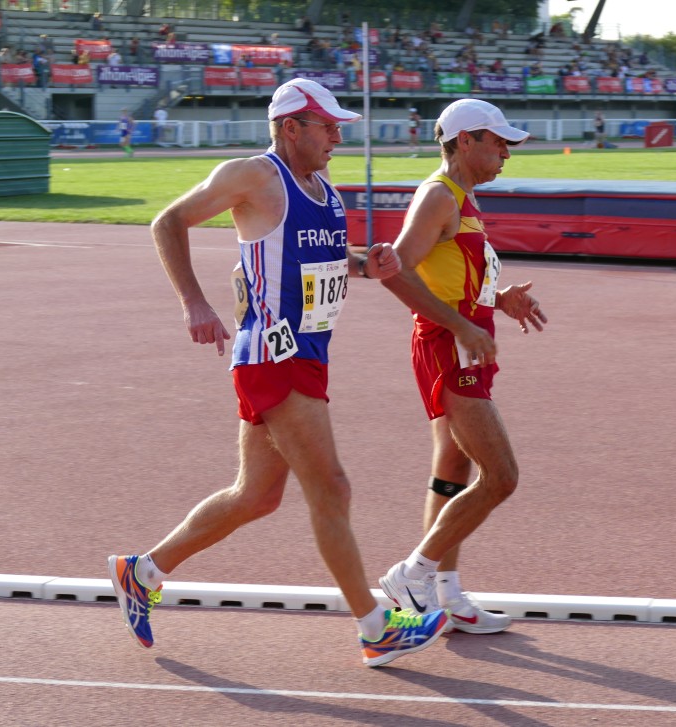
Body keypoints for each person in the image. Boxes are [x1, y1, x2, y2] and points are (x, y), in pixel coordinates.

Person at [107, 78, 449, 668]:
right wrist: (195, 303)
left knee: (257, 496)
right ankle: (375, 626)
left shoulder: (322, 188)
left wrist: (368, 262)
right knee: (332, 488)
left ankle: (142, 571)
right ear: (291, 127)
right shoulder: (257, 177)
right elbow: (168, 222)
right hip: (274, 353)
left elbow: (315, 255)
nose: (337, 136)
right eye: (328, 126)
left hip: (307, 354)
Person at [376, 99, 548, 634]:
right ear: (466, 140)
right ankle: (413, 574)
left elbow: (452, 276)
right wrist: (461, 326)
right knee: (501, 476)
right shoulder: (437, 197)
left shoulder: (462, 199)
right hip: (449, 346)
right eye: (498, 143)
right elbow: (392, 270)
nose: (506, 154)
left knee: (454, 468)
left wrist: (497, 301)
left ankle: (446, 596)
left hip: (462, 339)